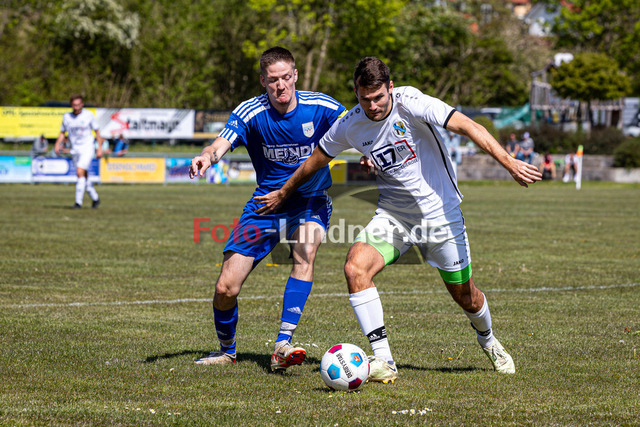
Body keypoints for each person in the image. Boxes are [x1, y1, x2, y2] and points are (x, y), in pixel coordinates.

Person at [255, 57, 542, 382]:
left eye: (379, 97)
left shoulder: (412, 102)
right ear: (356, 94)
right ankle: (385, 360)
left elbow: (467, 125)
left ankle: (488, 341)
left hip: (440, 216)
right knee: (355, 267)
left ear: (390, 88)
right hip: (394, 216)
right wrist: (284, 191)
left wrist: (508, 161)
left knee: (466, 296)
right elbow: (316, 159)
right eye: (365, 99)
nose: (373, 106)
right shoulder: (351, 124)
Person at [188, 47, 347, 371]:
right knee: (226, 287)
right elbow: (220, 143)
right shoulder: (251, 112)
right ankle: (227, 351)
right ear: (263, 81)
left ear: (296, 75)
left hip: (310, 200)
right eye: (273, 79)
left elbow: (359, 127)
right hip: (265, 205)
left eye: (286, 77)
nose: (280, 85)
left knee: (305, 252)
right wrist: (206, 156)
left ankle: (282, 344)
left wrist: (370, 153)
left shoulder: (322, 106)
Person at [54, 94, 104, 209]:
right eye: (74, 105)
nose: (76, 107)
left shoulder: (88, 115)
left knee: (79, 171)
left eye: (78, 105)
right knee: (83, 175)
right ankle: (95, 198)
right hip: (74, 149)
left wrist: (99, 148)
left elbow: (97, 131)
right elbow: (62, 132)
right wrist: (57, 144)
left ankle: (78, 202)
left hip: (87, 147)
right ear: (71, 105)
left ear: (82, 104)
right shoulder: (67, 117)